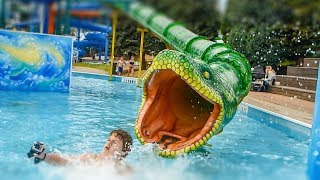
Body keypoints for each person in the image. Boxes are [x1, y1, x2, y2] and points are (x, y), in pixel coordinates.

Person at [29, 129, 133, 166]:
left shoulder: (126, 170)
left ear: (124, 151)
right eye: (108, 140)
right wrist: (44, 156)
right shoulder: (92, 159)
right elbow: (65, 160)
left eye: (114, 142)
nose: (108, 143)